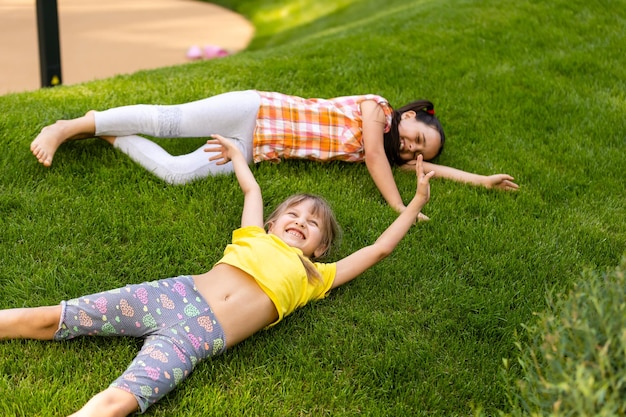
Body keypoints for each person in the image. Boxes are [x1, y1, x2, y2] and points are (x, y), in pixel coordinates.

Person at [5, 134, 435, 417]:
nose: (301, 221)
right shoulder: (252, 234)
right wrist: (235, 156)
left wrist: (414, 203)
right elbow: (252, 190)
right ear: (272, 222)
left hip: (197, 339)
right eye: (294, 213)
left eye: (313, 224)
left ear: (319, 248)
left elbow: (378, 250)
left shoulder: (315, 276)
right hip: (171, 295)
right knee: (55, 317)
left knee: (122, 401)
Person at [30, 90, 518, 216]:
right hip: (253, 110)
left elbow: (434, 169)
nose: (412, 151)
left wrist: (481, 180)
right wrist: (398, 205)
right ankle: (67, 126)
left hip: (253, 146)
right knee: (170, 120)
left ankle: (105, 130)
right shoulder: (378, 111)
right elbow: (374, 157)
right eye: (417, 138)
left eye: (417, 153)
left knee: (177, 174)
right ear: (410, 117)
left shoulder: (393, 151)